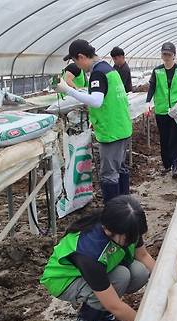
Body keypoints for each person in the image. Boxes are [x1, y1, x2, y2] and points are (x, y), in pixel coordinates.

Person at [40, 195, 155, 321]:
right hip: (64, 280)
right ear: (109, 231)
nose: (135, 240)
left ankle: (101, 312)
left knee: (140, 272)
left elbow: (143, 256)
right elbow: (114, 305)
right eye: (131, 237)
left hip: (102, 268)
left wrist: (169, 281)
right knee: (121, 277)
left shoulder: (126, 226)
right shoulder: (89, 251)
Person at [55, 39, 132, 202]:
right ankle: (125, 204)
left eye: (75, 61)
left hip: (111, 131)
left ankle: (114, 213)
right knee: (120, 167)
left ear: (81, 57)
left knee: (109, 174)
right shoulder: (109, 69)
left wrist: (68, 90)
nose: (77, 66)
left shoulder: (98, 72)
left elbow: (96, 101)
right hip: (121, 126)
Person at [144, 42, 177, 179]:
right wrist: (148, 102)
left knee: (176, 137)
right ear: (161, 55)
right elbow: (152, 87)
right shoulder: (157, 71)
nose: (167, 57)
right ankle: (167, 164)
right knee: (164, 138)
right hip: (162, 110)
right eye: (164, 54)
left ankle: (175, 165)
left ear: (174, 55)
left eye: (169, 54)